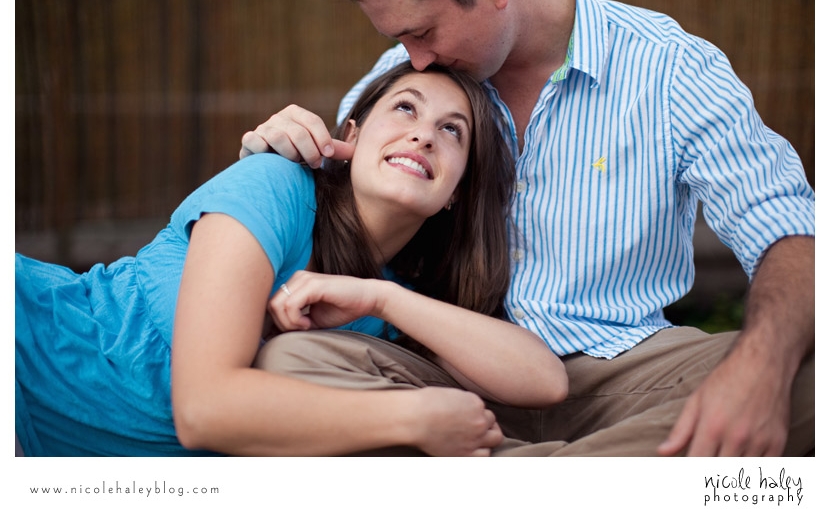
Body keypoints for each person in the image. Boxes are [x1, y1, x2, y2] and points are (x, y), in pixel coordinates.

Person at [240, 0, 815, 456]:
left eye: (423, 32)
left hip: (632, 373)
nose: (415, 57)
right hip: (445, 376)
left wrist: (760, 370)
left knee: (810, 377)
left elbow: (788, 230)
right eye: (401, 39)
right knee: (291, 362)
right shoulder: (410, 78)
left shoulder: (672, 69)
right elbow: (342, 204)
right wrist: (283, 148)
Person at [15, 61, 568, 456]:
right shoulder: (275, 185)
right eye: (405, 108)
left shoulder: (398, 299)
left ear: (455, 192)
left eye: (452, 131)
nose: (424, 136)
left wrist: (383, 297)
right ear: (351, 136)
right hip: (27, 359)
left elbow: (544, 381)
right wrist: (415, 417)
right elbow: (203, 410)